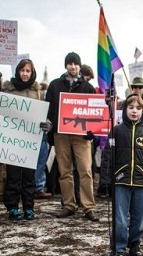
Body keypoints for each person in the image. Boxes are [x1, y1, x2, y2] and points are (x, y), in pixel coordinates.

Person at [101, 94, 143, 256]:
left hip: (141, 181)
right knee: (119, 218)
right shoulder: (117, 131)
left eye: (138, 108)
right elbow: (107, 156)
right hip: (121, 180)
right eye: (131, 107)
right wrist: (105, 179)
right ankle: (118, 248)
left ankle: (134, 244)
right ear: (124, 109)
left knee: (139, 217)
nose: (134, 111)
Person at [0, 59, 50, 221]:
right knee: (13, 177)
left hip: (30, 142)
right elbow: (0, 111)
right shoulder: (8, 90)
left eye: (28, 71)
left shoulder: (37, 92)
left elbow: (44, 115)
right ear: (17, 72)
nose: (25, 74)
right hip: (12, 141)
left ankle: (28, 207)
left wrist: (47, 124)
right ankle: (12, 207)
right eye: (22, 70)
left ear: (32, 73)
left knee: (28, 177)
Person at [46, 52, 98, 221]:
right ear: (65, 66)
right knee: (65, 171)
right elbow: (49, 109)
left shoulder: (88, 87)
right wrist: (50, 129)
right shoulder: (54, 85)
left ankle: (88, 207)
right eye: (70, 64)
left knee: (85, 171)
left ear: (79, 66)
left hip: (81, 136)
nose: (73, 67)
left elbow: (93, 112)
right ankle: (68, 205)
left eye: (76, 64)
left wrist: (92, 131)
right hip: (61, 135)